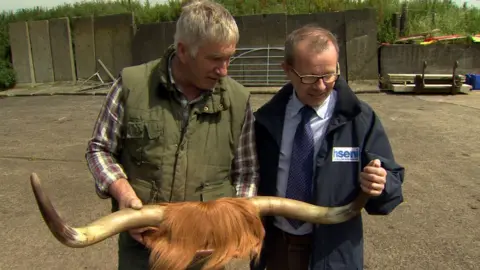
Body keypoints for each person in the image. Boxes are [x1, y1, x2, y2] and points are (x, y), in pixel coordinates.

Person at [85, 1, 260, 269]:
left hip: (207, 253)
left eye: (229, 58)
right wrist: (123, 192)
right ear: (183, 51)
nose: (224, 70)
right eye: (215, 59)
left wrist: (232, 221)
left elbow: (246, 172)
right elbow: (100, 149)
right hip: (145, 250)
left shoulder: (237, 100)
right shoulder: (132, 86)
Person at [250, 24, 405, 270]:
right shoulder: (264, 122)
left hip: (335, 254)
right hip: (276, 250)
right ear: (287, 70)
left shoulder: (360, 118)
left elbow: (390, 189)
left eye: (329, 75)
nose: (321, 86)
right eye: (310, 77)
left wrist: (382, 184)